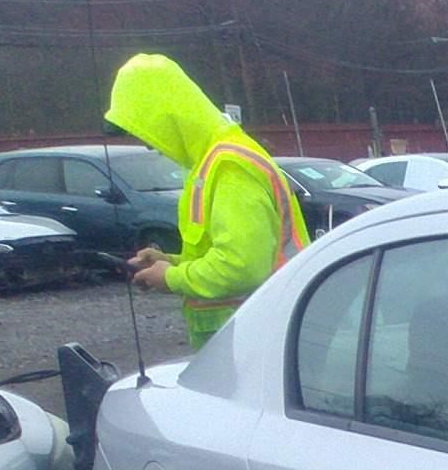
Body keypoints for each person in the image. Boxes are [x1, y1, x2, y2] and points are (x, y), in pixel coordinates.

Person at [104, 54, 308, 349]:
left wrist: (172, 277)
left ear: (168, 119)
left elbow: (242, 267)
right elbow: (228, 254)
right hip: (245, 333)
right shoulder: (213, 163)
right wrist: (168, 262)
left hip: (252, 337)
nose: (149, 144)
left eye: (147, 133)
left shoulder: (229, 167)